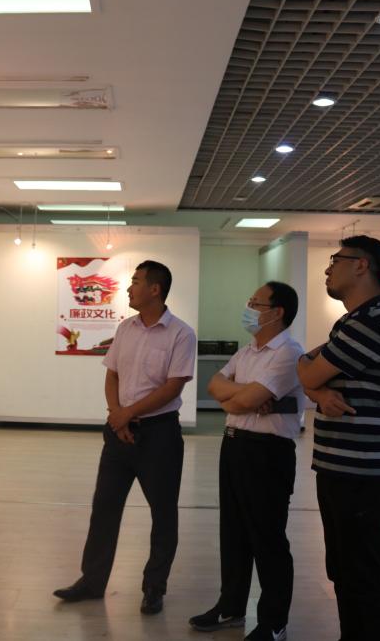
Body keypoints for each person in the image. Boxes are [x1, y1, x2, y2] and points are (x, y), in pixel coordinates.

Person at [54, 260, 197, 615]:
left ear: (154, 289)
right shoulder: (125, 328)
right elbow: (112, 374)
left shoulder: (181, 334)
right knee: (104, 507)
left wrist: (127, 413)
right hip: (119, 432)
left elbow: (173, 387)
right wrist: (117, 415)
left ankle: (154, 587)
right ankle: (92, 581)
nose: (129, 288)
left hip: (159, 435)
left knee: (163, 514)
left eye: (135, 281)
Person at [296, 236, 380, 641]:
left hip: (362, 471)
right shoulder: (354, 322)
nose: (328, 269)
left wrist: (312, 381)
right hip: (342, 466)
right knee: (344, 570)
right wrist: (318, 391)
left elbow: (308, 369)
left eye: (335, 260)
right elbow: (307, 368)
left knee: (363, 574)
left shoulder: (371, 322)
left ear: (361, 265)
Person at [189, 282, 304, 641]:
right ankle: (231, 607)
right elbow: (214, 386)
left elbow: (239, 399)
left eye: (256, 303)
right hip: (234, 445)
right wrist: (244, 395)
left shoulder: (288, 352)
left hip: (268, 452)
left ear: (277, 312)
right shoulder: (247, 352)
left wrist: (240, 397)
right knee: (233, 533)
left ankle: (274, 622)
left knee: (268, 539)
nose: (249, 308)